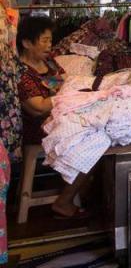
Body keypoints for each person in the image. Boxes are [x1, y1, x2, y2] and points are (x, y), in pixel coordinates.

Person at [17, 15, 89, 218]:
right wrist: (66, 96)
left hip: (59, 119)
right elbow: (37, 107)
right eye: (44, 40)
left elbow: (67, 82)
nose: (50, 45)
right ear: (26, 43)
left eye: (50, 40)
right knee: (92, 144)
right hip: (37, 129)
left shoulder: (48, 63)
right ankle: (65, 200)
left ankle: (80, 191)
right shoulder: (22, 73)